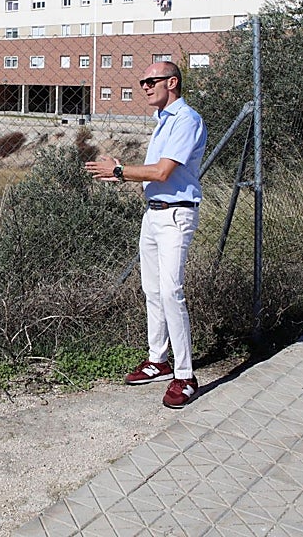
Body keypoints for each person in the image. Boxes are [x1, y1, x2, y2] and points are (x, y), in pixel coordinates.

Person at [84, 60, 206, 408]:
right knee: (151, 289)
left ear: (172, 82)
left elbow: (163, 172)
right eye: (142, 82)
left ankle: (185, 376)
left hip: (175, 215)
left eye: (151, 81)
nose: (145, 87)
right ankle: (158, 360)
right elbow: (153, 173)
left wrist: (120, 171)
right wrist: (121, 174)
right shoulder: (163, 121)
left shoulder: (186, 120)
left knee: (171, 292)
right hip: (153, 216)